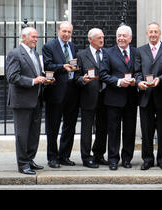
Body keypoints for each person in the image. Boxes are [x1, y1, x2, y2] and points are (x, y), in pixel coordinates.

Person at [6, 27, 52, 175]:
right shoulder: (15, 53)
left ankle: (30, 159)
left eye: (36, 37)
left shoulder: (35, 53)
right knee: (22, 134)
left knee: (34, 133)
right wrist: (33, 81)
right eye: (33, 37)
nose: (35, 39)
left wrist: (45, 78)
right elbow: (12, 77)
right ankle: (23, 164)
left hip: (36, 100)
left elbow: (36, 73)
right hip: (22, 101)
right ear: (24, 37)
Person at [134, 22, 162, 171]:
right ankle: (147, 159)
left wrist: (161, 78)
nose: (153, 34)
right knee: (146, 131)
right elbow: (136, 71)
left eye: (155, 32)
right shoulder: (140, 51)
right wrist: (139, 82)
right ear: (147, 34)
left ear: (159, 34)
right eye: (150, 32)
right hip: (145, 96)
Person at [99, 25, 138, 170]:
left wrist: (136, 80)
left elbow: (139, 71)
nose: (121, 38)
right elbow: (103, 74)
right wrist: (119, 82)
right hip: (114, 98)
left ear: (130, 38)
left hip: (131, 98)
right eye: (119, 35)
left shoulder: (135, 52)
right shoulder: (108, 53)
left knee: (129, 130)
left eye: (124, 36)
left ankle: (127, 158)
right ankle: (113, 159)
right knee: (113, 130)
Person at [42, 21, 80, 168]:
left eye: (69, 32)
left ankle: (64, 156)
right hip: (56, 92)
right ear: (58, 31)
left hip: (72, 91)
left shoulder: (73, 47)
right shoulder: (48, 47)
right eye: (64, 31)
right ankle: (52, 157)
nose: (66, 34)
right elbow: (47, 65)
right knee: (53, 126)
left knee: (69, 126)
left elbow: (76, 66)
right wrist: (62, 67)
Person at [75, 28, 109, 168]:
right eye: (98, 38)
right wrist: (82, 79)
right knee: (87, 129)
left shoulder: (107, 53)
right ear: (90, 40)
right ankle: (86, 157)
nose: (102, 40)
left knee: (103, 128)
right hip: (89, 96)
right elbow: (75, 77)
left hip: (105, 96)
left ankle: (99, 154)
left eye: (102, 37)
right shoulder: (81, 55)